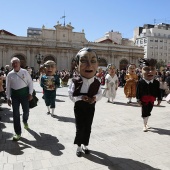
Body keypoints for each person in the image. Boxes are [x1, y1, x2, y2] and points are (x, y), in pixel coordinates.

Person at [68, 47, 102, 157]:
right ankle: (78, 146)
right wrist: (80, 98)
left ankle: (85, 144)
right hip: (79, 107)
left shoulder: (97, 82)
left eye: (93, 61)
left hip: (91, 107)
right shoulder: (75, 81)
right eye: (83, 61)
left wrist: (94, 98)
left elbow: (100, 93)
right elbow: (70, 94)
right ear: (77, 65)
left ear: (97, 65)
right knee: (79, 127)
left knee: (88, 126)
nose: (89, 65)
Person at [6, 57, 33, 141]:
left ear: (19, 63)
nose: (15, 64)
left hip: (25, 95)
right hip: (15, 97)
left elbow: (30, 83)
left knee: (26, 111)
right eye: (13, 63)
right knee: (15, 114)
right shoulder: (9, 74)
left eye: (16, 62)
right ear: (11, 65)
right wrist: (8, 98)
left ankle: (25, 121)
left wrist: (30, 93)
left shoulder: (25, 72)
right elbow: (8, 87)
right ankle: (18, 132)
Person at [136, 58, 161, 132]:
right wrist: (138, 99)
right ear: (141, 70)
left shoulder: (156, 82)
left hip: (152, 100)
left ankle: (146, 123)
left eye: (152, 69)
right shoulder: (140, 82)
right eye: (146, 69)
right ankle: (144, 125)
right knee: (144, 112)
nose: (150, 71)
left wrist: (159, 99)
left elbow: (158, 91)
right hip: (144, 100)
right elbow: (138, 92)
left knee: (149, 111)